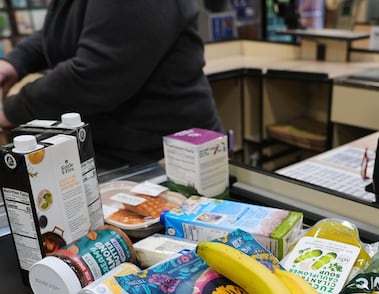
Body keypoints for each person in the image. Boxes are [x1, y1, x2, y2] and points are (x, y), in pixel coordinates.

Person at [0, 0, 223, 169]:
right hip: (119, 147)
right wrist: (15, 62)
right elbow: (64, 30)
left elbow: (95, 75)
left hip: (165, 159)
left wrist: (12, 110)